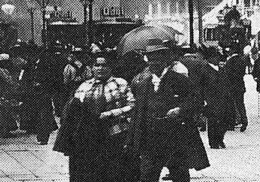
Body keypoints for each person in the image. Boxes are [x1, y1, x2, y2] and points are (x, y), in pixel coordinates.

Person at [127, 39, 209, 182]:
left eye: (158, 59)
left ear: (165, 60)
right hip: (150, 139)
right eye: (151, 59)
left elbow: (195, 100)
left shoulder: (179, 80)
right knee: (147, 176)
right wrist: (132, 140)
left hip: (175, 137)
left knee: (179, 175)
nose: (154, 63)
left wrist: (180, 110)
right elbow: (138, 113)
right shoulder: (143, 85)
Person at [54, 53, 135, 182]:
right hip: (91, 137)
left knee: (114, 172)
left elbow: (132, 106)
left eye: (104, 65)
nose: (100, 68)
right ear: (92, 67)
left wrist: (111, 113)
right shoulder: (84, 86)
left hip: (115, 133)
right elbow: (75, 111)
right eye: (97, 65)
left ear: (111, 67)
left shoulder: (120, 83)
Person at [200, 46, 233, 149]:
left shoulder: (221, 69)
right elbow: (200, 87)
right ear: (209, 58)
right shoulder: (204, 70)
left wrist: (228, 94)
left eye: (218, 56)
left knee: (224, 120)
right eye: (215, 56)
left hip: (223, 99)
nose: (217, 59)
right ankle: (213, 141)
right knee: (213, 121)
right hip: (211, 100)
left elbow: (227, 83)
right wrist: (203, 100)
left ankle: (220, 138)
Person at [223, 46, 248, 132]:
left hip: (231, 86)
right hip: (240, 85)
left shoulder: (229, 62)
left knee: (231, 105)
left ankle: (231, 123)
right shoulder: (242, 61)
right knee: (240, 104)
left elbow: (227, 74)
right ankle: (244, 120)